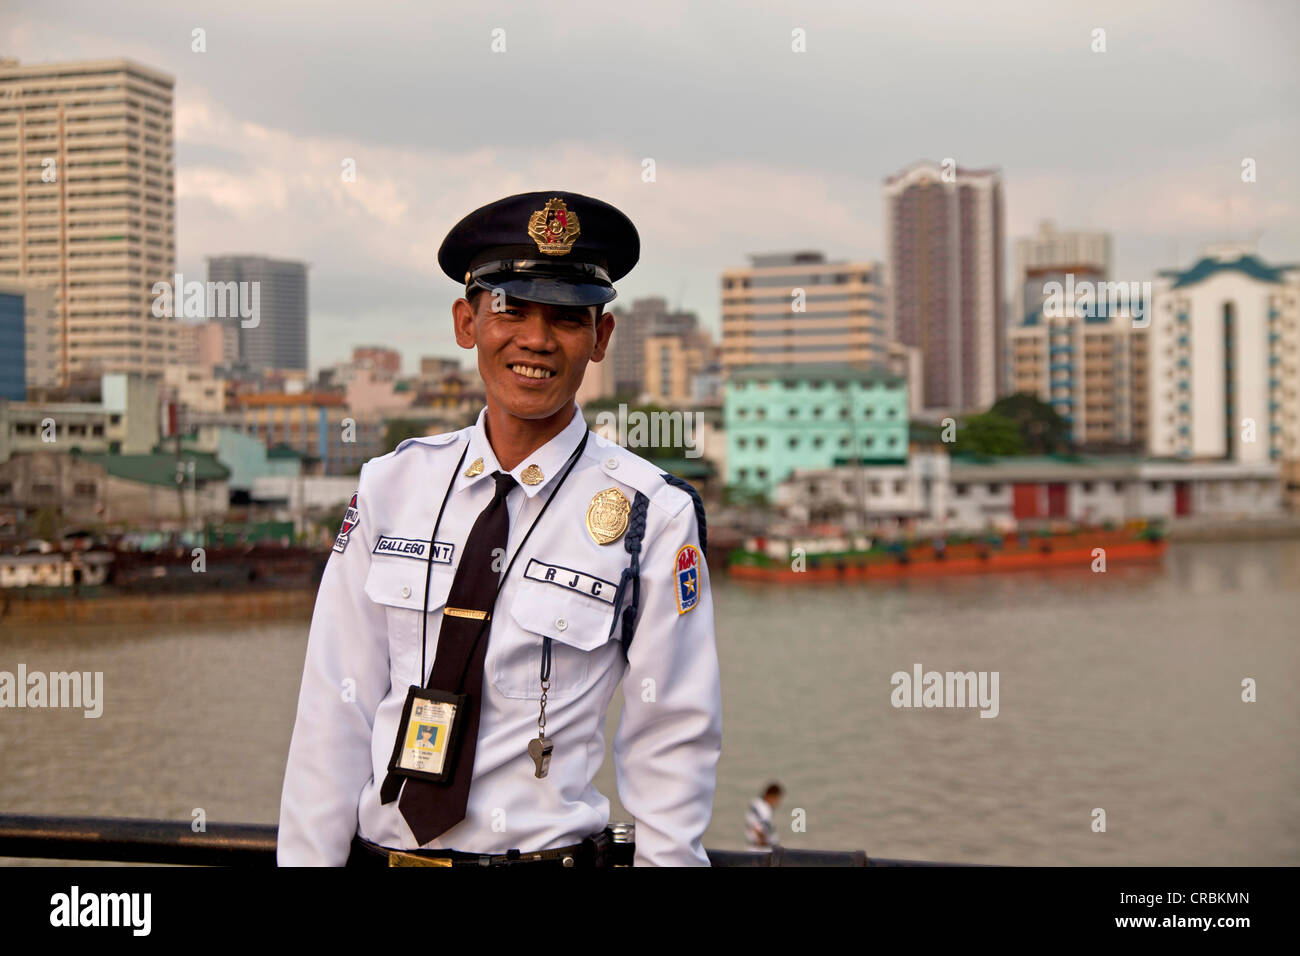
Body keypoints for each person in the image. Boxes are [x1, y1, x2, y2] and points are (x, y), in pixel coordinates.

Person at [277, 190, 722, 867]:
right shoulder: (390, 488)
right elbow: (332, 711)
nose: (537, 340)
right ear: (467, 321)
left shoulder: (651, 516)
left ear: (601, 337)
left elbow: (673, 740)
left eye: (568, 318)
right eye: (511, 309)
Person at [745, 782, 783, 851]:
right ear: (771, 795)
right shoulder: (761, 807)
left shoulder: (759, 806)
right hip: (761, 852)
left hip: (761, 851)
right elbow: (758, 829)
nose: (777, 802)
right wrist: (764, 844)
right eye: (777, 798)